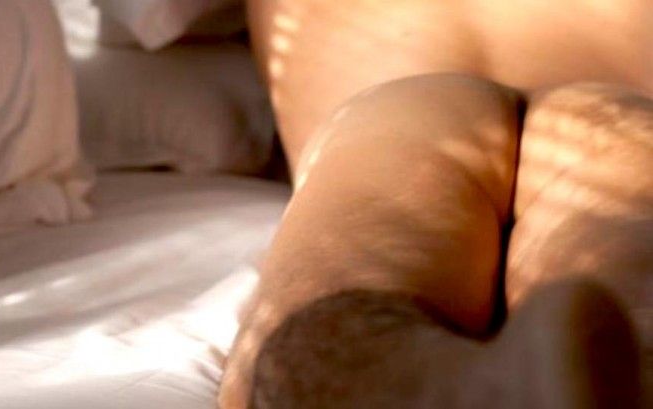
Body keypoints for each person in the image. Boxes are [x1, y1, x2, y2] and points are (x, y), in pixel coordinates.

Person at [220, 1, 653, 407]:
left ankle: (416, 377)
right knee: (629, 290)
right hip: (607, 116)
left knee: (335, 302)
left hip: (396, 111)